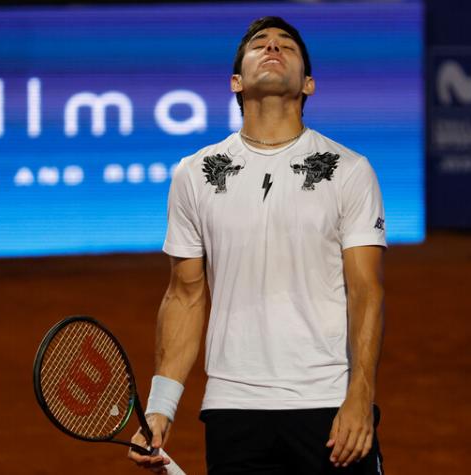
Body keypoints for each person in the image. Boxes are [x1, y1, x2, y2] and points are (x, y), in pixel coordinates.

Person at [128, 16, 387, 474]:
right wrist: (159, 408)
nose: (272, 47)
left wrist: (360, 396)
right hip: (234, 408)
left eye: (286, 44)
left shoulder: (350, 170)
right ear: (235, 81)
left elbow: (366, 292)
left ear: (308, 84)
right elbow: (184, 296)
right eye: (259, 45)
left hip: (327, 404)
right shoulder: (194, 173)